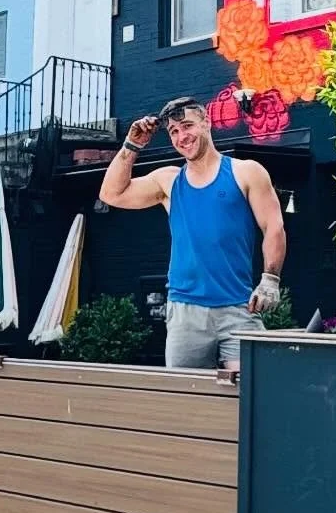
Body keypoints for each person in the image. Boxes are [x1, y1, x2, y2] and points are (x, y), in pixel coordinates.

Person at [98, 96, 286, 369]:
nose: (182, 136)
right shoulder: (169, 180)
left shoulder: (245, 172)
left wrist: (270, 280)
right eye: (174, 131)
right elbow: (111, 194)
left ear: (206, 122)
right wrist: (132, 145)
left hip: (238, 308)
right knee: (188, 399)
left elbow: (274, 226)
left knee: (250, 391)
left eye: (187, 126)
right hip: (185, 311)